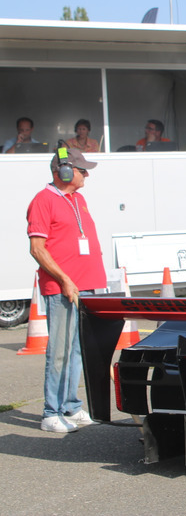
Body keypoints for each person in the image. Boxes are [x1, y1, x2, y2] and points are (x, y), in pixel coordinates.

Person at [27, 148, 106, 432]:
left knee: (76, 351)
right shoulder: (43, 201)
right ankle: (51, 412)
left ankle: (70, 406)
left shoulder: (78, 199)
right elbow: (37, 249)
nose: (86, 174)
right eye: (81, 169)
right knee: (59, 351)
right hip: (62, 288)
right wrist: (65, 280)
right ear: (63, 171)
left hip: (84, 286)